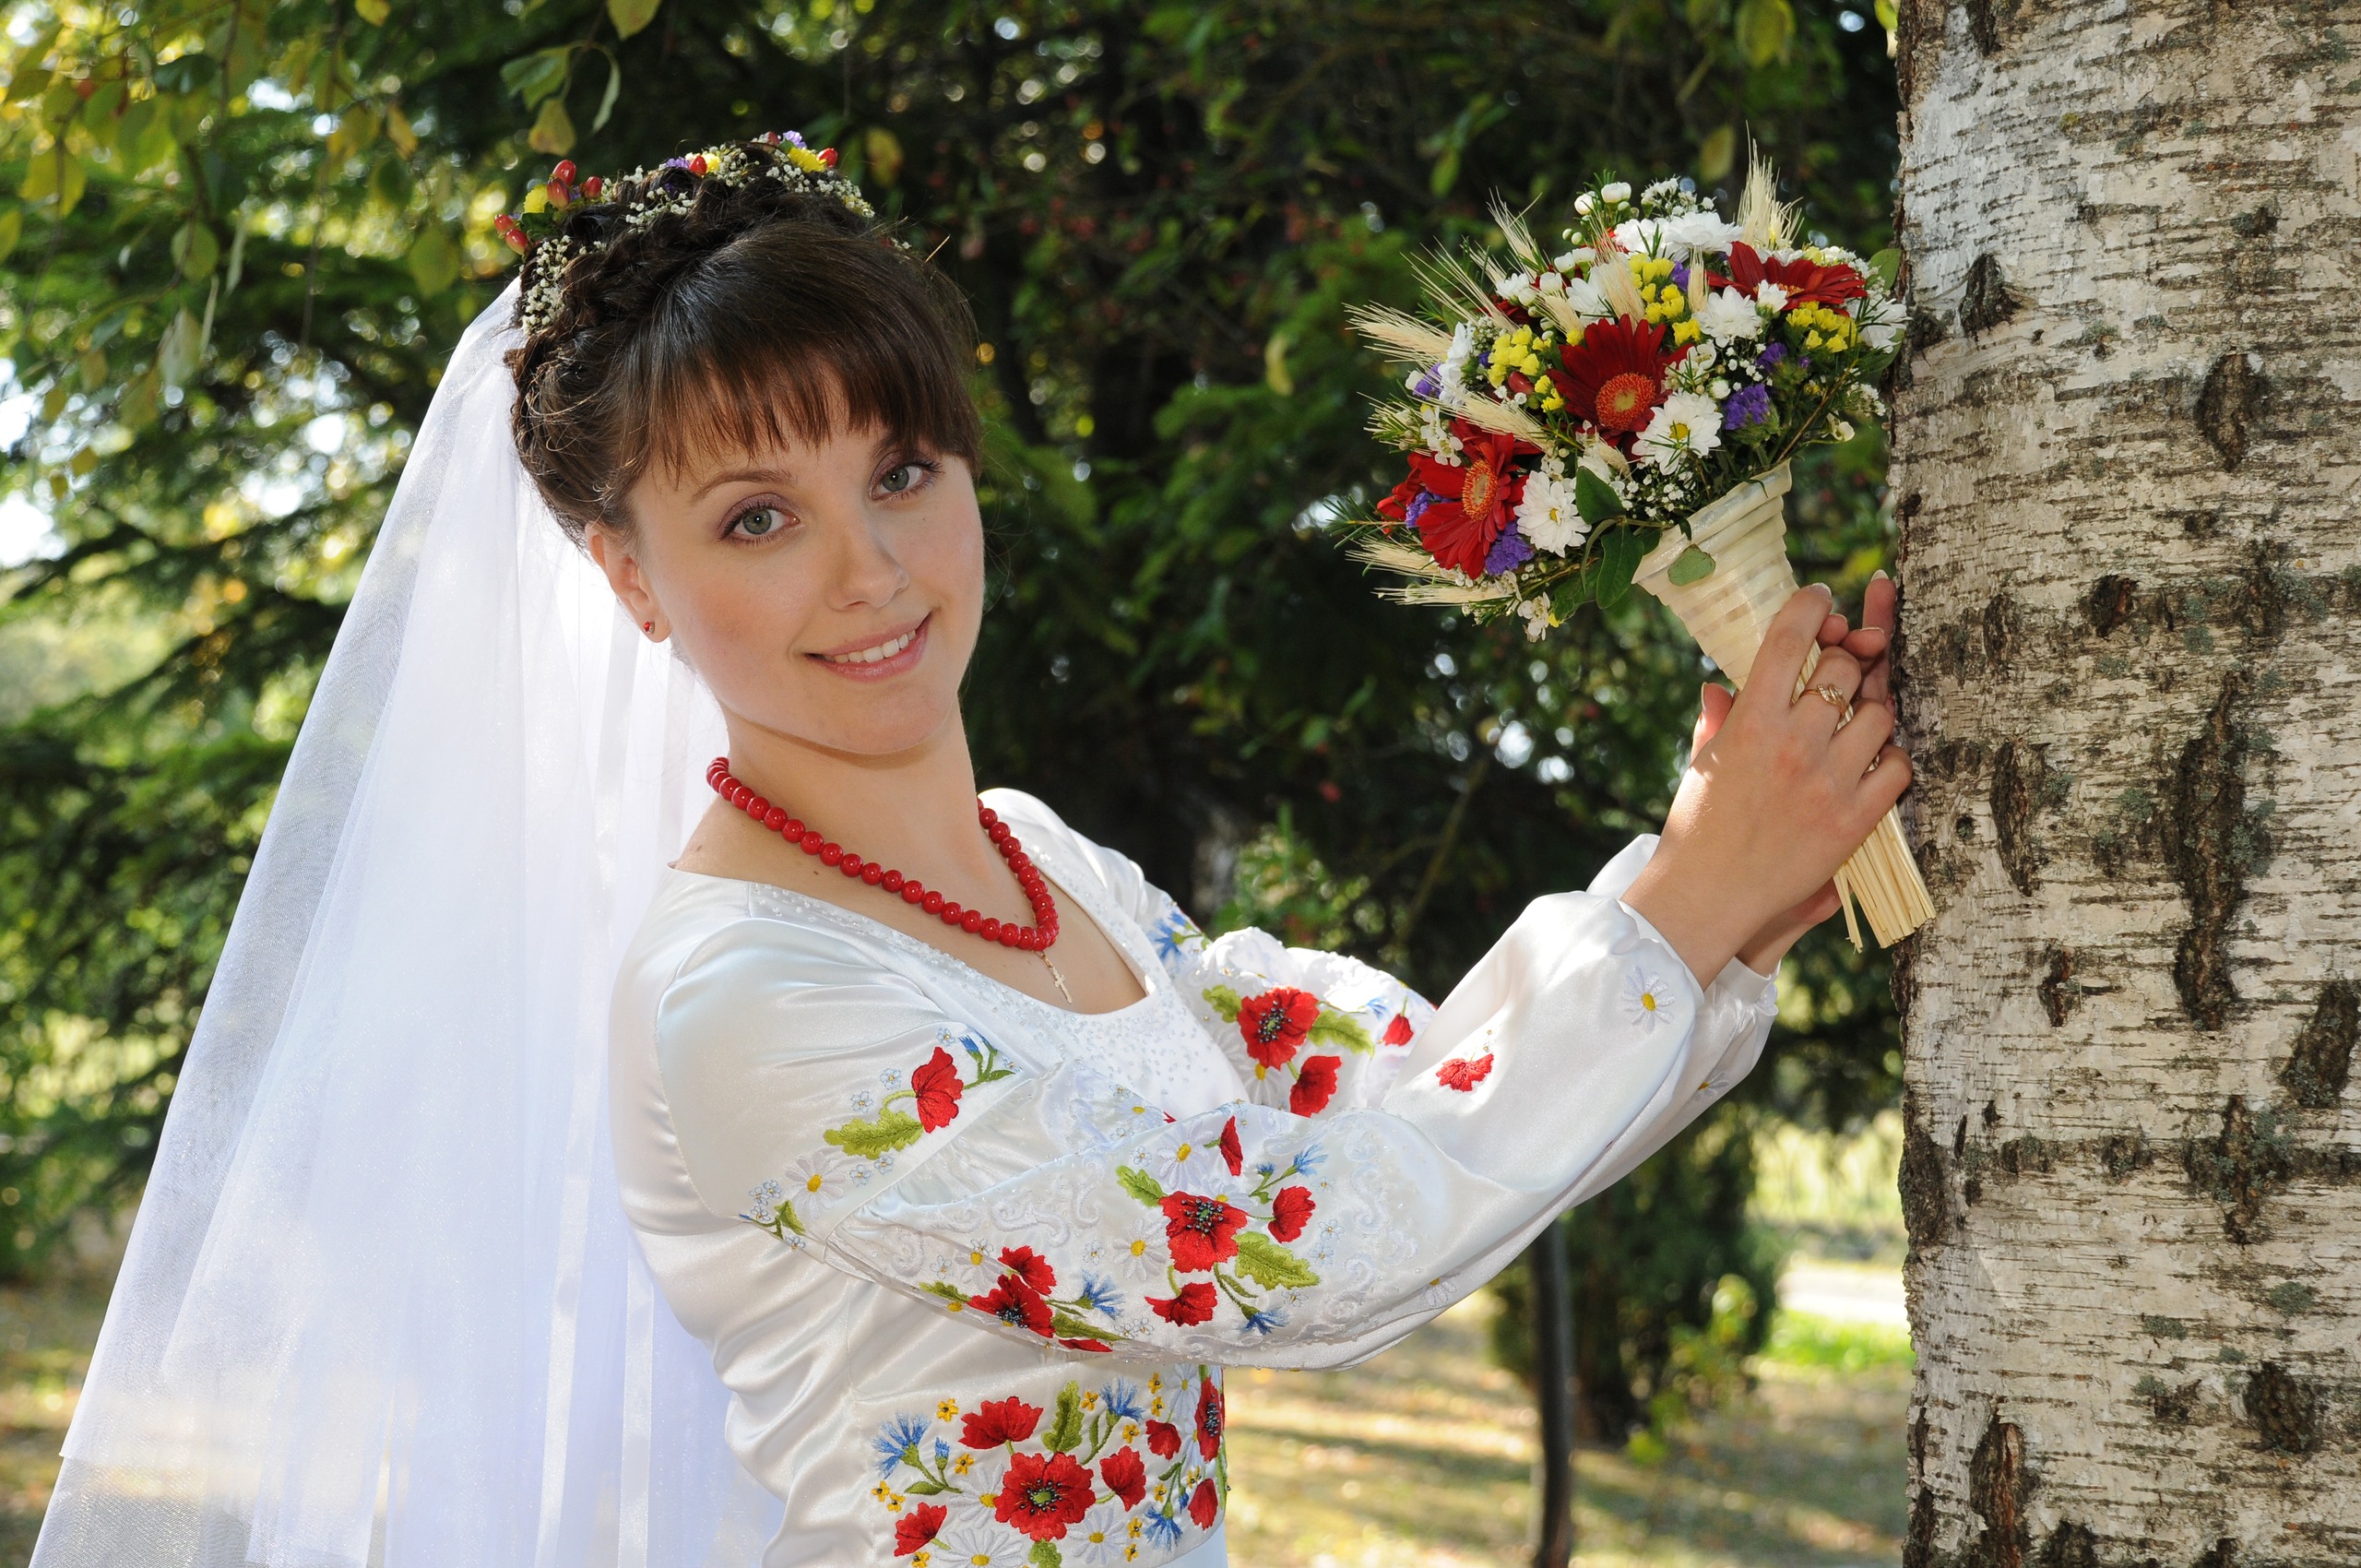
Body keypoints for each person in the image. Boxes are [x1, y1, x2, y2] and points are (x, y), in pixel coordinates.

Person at [30, 134, 1904, 1568]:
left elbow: (1399, 1099)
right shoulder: (741, 1000)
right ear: (629, 576)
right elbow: (1290, 1252)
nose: (869, 572)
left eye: (901, 472)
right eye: (757, 517)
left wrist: (1724, 880)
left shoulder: (1045, 863)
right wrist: (1685, 905)